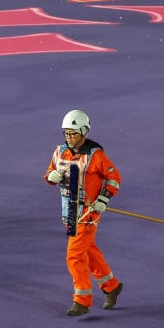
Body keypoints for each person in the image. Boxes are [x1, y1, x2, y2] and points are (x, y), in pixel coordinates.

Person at [44, 110, 124, 317]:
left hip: (88, 213)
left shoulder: (95, 155)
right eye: (66, 133)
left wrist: (104, 198)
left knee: (74, 255)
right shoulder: (60, 152)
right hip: (69, 212)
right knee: (89, 251)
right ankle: (111, 286)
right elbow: (50, 173)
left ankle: (82, 300)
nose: (69, 138)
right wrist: (50, 177)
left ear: (84, 132)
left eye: (73, 134)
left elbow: (114, 177)